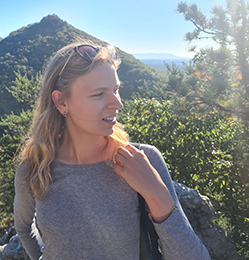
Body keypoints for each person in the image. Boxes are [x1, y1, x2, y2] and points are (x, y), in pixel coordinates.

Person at [14, 39, 211, 260]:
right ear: (61, 102)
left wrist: (155, 192)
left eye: (116, 90)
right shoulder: (35, 168)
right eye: (99, 94)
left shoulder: (142, 160)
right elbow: (23, 228)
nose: (117, 104)